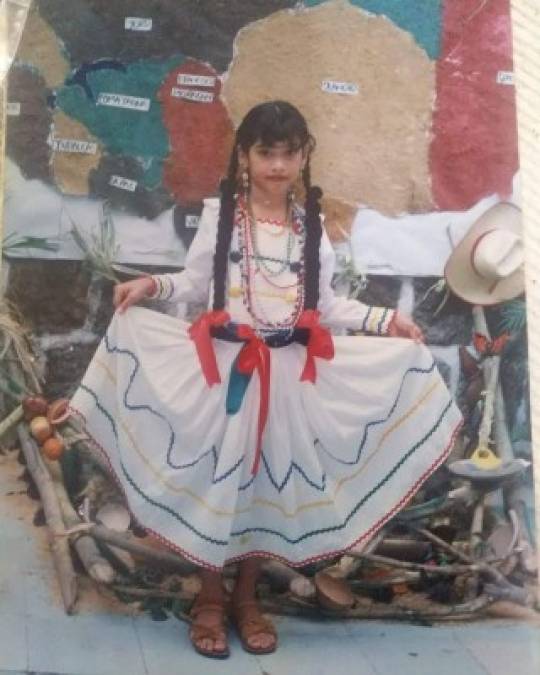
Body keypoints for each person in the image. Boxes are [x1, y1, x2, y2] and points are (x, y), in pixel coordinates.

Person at [71, 101, 463, 658]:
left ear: (303, 157)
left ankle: (248, 597)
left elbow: (325, 307)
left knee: (263, 487)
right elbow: (194, 280)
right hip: (227, 373)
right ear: (245, 156)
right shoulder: (222, 217)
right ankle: (209, 597)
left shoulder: (310, 230)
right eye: (265, 153)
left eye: (288, 154)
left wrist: (388, 320)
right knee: (218, 483)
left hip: (283, 379)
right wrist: (149, 288)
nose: (276, 166)